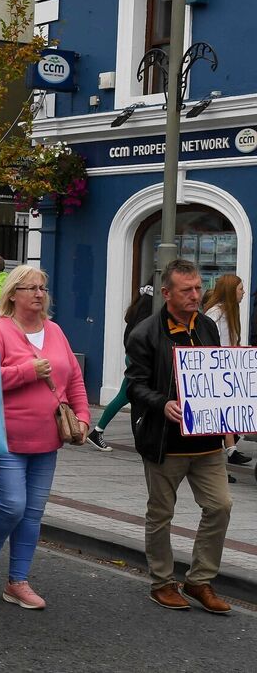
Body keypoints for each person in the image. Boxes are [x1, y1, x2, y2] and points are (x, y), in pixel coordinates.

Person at [0, 265, 89, 610]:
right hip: (2, 437)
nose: (39, 294)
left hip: (46, 440)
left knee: (33, 513)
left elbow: (75, 380)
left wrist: (82, 418)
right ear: (12, 295)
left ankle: (17, 581)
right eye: (30, 288)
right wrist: (26, 372)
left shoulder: (55, 331)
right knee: (12, 505)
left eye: (42, 288)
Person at [126, 259, 232, 613]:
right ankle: (162, 581)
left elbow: (219, 376)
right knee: (161, 514)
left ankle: (200, 580)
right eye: (187, 290)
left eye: (199, 288)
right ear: (166, 292)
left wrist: (233, 413)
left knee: (220, 506)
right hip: (165, 442)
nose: (196, 295)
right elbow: (135, 386)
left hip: (206, 440)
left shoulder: (206, 327)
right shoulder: (145, 333)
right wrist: (163, 404)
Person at [87, 285, 155, 452]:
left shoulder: (136, 312)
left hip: (133, 359)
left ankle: (97, 432)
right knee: (127, 397)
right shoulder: (148, 317)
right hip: (139, 361)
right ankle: (98, 432)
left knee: (124, 396)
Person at [203, 274, 252, 472]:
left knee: (227, 415)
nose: (243, 292)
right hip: (216, 372)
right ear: (232, 291)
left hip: (226, 370)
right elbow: (209, 342)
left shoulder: (230, 312)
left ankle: (231, 450)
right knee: (220, 418)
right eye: (240, 289)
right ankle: (224, 460)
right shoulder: (215, 314)